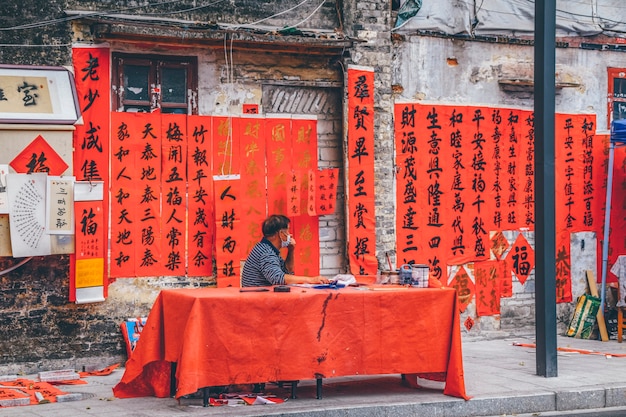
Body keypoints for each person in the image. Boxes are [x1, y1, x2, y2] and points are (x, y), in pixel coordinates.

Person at [241, 214, 329, 287]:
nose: (289, 235)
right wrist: (310, 280)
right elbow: (278, 278)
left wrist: (291, 250)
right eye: (288, 231)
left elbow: (287, 271)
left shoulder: (269, 249)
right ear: (281, 234)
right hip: (258, 300)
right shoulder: (266, 252)